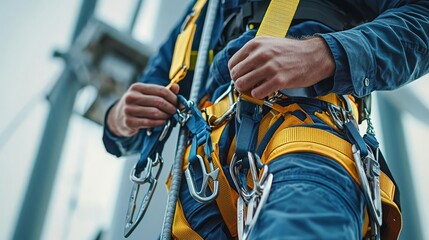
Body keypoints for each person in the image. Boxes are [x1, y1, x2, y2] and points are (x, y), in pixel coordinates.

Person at [103, 0, 429, 239]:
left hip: (302, 145)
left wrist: (324, 54)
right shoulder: (203, 12)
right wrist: (120, 119)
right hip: (203, 188)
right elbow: (150, 97)